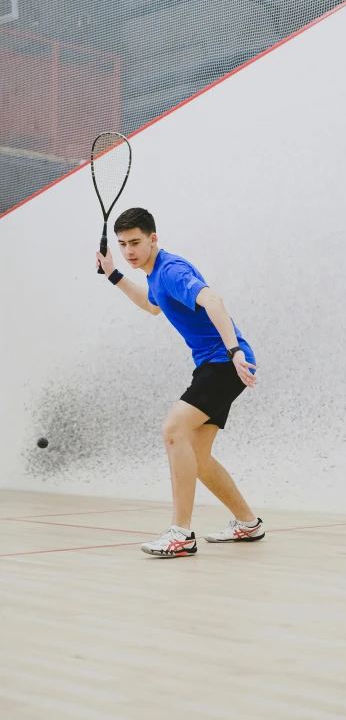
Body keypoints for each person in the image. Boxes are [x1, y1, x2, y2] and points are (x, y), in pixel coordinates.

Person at [96, 207, 265, 558]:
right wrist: (113, 275)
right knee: (198, 458)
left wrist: (233, 350)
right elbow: (152, 305)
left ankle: (180, 534)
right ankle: (248, 523)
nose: (129, 251)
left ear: (154, 238)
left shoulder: (171, 270)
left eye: (136, 242)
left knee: (174, 430)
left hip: (224, 362)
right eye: (123, 244)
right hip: (214, 364)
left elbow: (213, 300)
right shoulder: (155, 276)